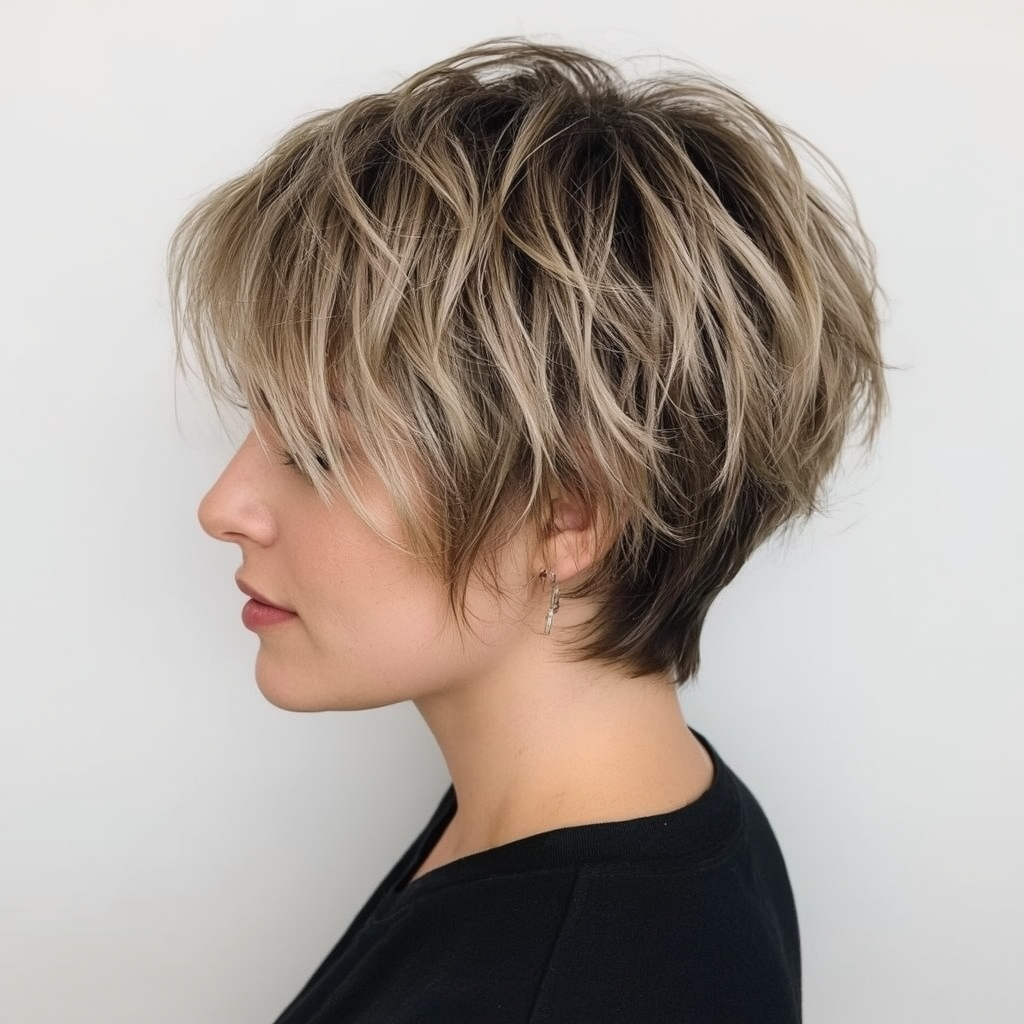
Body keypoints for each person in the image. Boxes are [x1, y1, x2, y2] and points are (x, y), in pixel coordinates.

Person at [169, 37, 885, 1024]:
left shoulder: (559, 981)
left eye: (320, 452)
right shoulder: (659, 813)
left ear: (567, 516)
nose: (222, 506)